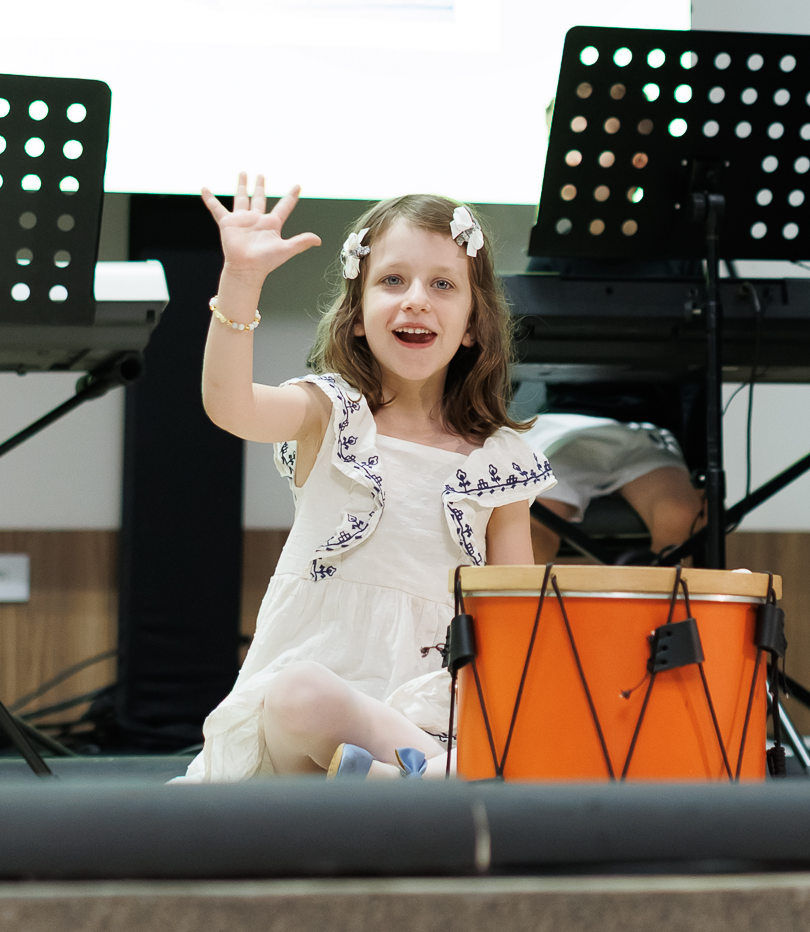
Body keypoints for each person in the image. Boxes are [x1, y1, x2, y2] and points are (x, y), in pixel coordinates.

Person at [179, 176, 555, 783]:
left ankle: (395, 781)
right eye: (392, 280)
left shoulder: (500, 462)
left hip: (434, 716)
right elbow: (229, 405)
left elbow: (518, 620)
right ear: (356, 316)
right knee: (298, 693)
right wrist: (241, 279)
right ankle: (439, 784)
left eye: (442, 284)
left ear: (473, 325)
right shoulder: (329, 414)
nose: (416, 300)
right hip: (305, 728)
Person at [528, 413, 703, 562]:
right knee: (531, 530)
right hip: (564, 428)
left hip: (645, 431)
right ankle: (523, 591)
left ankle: (662, 592)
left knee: (681, 516)